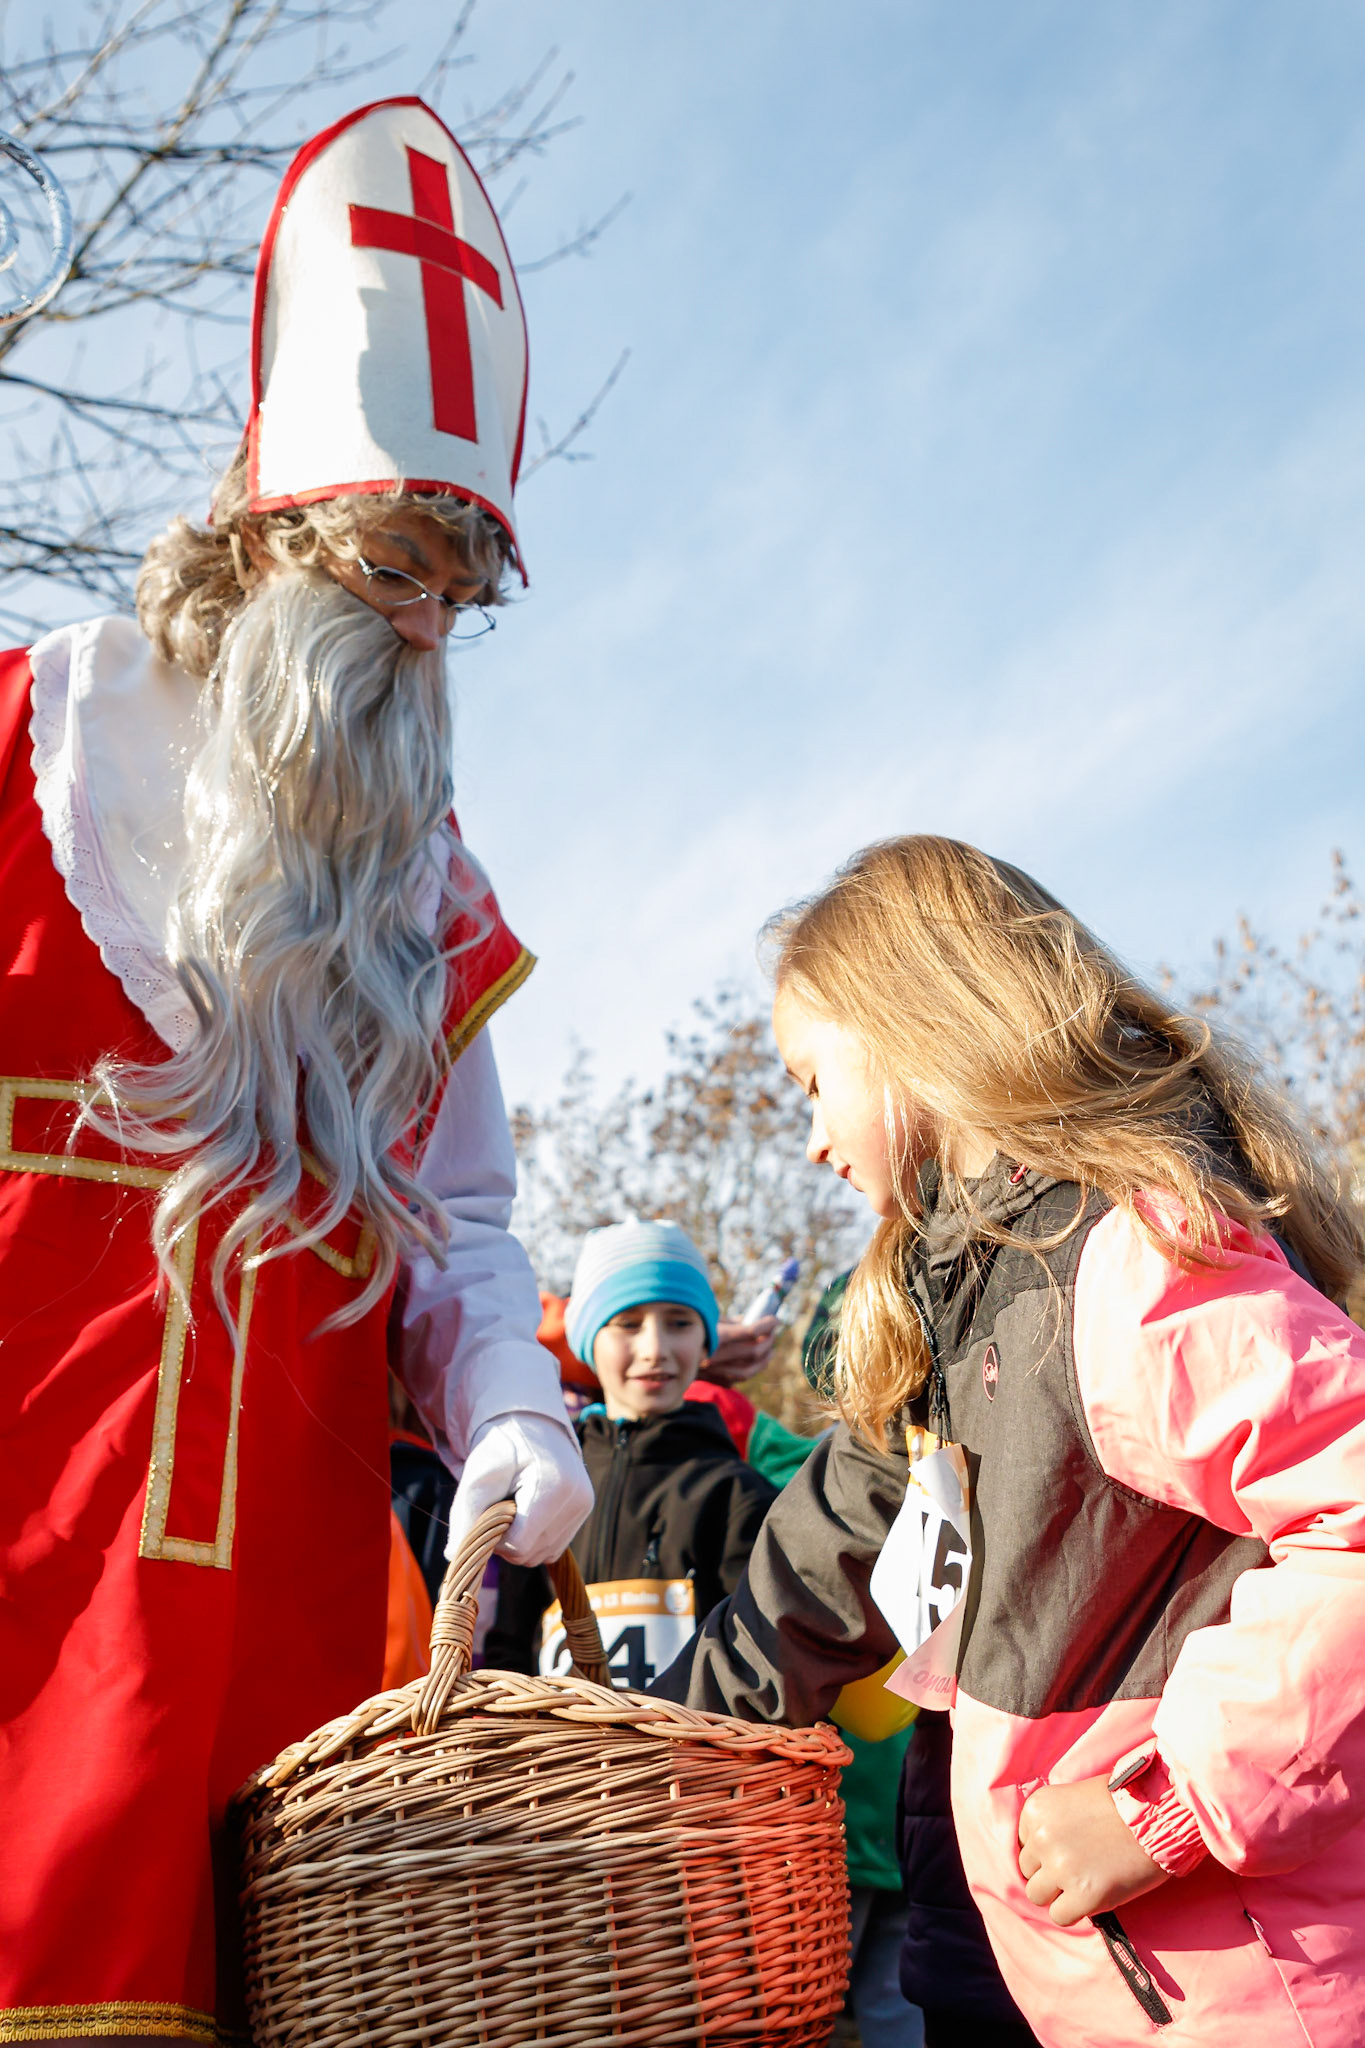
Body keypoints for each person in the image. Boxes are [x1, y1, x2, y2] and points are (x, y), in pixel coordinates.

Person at [0, 98, 593, 2047]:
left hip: (290, 1622)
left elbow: (466, 1217)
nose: (423, 631)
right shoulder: (30, 738)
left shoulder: (431, 891)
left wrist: (510, 1399)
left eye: (460, 597)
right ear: (268, 526)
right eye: (396, 567)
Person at [652, 833, 1365, 2048]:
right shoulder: (938, 1317)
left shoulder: (1123, 1262)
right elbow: (804, 1586)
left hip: (1233, 1978)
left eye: (814, 1081)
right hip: (1024, 1965)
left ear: (913, 1026)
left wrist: (1164, 1806)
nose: (813, 1138)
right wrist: (630, 1744)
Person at [526, 1220, 779, 1689]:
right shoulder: (548, 1479)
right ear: (587, 1338)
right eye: (628, 1323)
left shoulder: (740, 1495)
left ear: (705, 1340)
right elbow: (508, 1638)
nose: (655, 1349)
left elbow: (762, 1660)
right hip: (544, 1738)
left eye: (679, 1323)